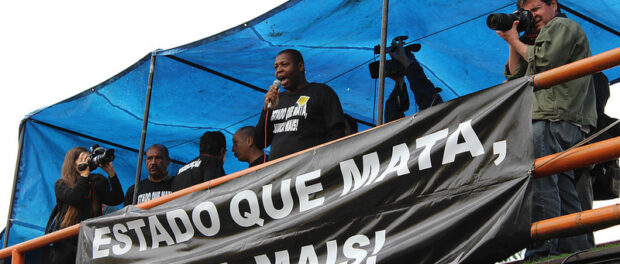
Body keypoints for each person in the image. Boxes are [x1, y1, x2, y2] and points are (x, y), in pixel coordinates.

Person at [496, 0, 596, 259]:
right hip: (560, 120)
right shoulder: (539, 39)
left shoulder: (561, 25)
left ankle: (542, 250)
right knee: (563, 187)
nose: (532, 16)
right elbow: (515, 77)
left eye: (536, 8)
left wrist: (517, 41)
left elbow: (545, 62)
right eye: (527, 12)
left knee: (542, 182)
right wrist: (512, 39)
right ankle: (577, 249)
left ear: (554, 4)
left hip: (552, 118)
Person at [255, 49, 346, 161]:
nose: (279, 70)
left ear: (300, 66)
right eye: (276, 67)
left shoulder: (321, 92)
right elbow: (259, 142)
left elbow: (337, 132)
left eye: (284, 65)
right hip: (278, 173)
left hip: (309, 169)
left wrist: (323, 161)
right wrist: (266, 110)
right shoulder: (277, 99)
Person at [49, 147, 124, 264]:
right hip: (65, 247)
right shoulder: (61, 184)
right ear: (73, 165)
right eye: (83, 159)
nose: (87, 162)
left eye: (88, 158)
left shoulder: (95, 183)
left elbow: (117, 199)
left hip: (89, 244)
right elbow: (74, 198)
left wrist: (111, 173)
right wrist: (84, 175)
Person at [385, 39, 444, 122]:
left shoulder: (437, 122)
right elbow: (429, 100)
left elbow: (430, 102)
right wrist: (400, 80)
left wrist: (406, 63)